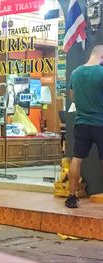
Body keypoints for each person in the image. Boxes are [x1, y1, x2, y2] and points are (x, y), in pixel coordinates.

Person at [66, 45, 103, 208]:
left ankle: (72, 198)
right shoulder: (101, 73)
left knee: (76, 159)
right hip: (100, 123)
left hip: (81, 123)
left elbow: (73, 98)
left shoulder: (75, 73)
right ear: (101, 56)